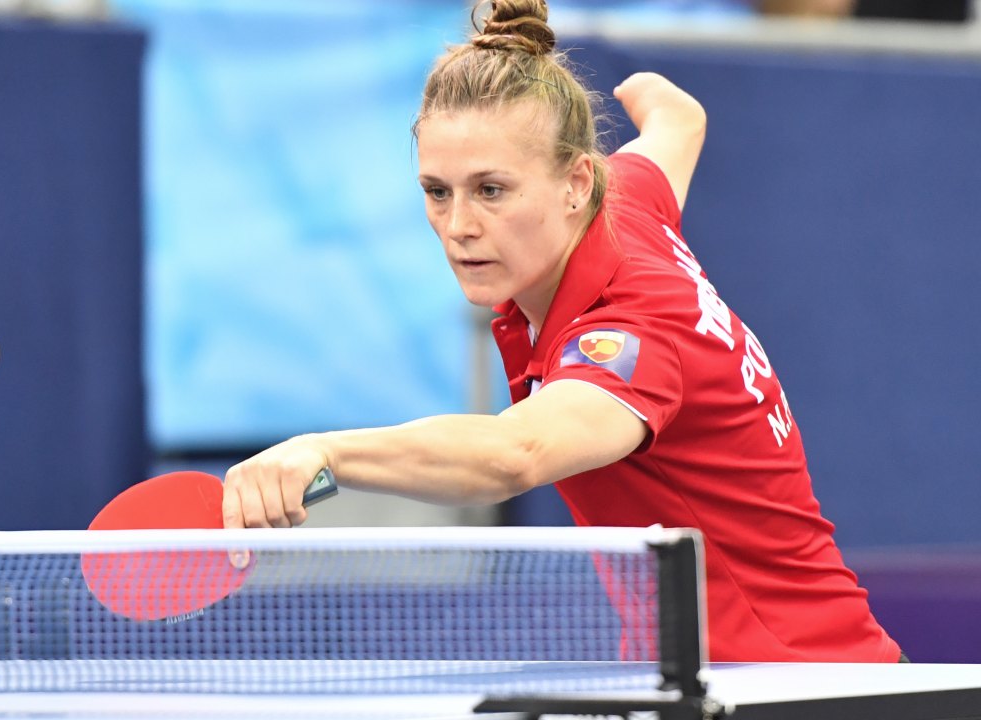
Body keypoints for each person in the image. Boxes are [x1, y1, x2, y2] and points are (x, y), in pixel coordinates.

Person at [221, 0, 901, 664]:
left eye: (491, 189)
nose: (458, 226)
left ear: (576, 183)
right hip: (702, 676)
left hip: (801, 682)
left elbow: (514, 454)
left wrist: (325, 453)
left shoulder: (633, 332)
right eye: (437, 191)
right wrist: (648, 92)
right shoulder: (626, 199)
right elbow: (679, 120)